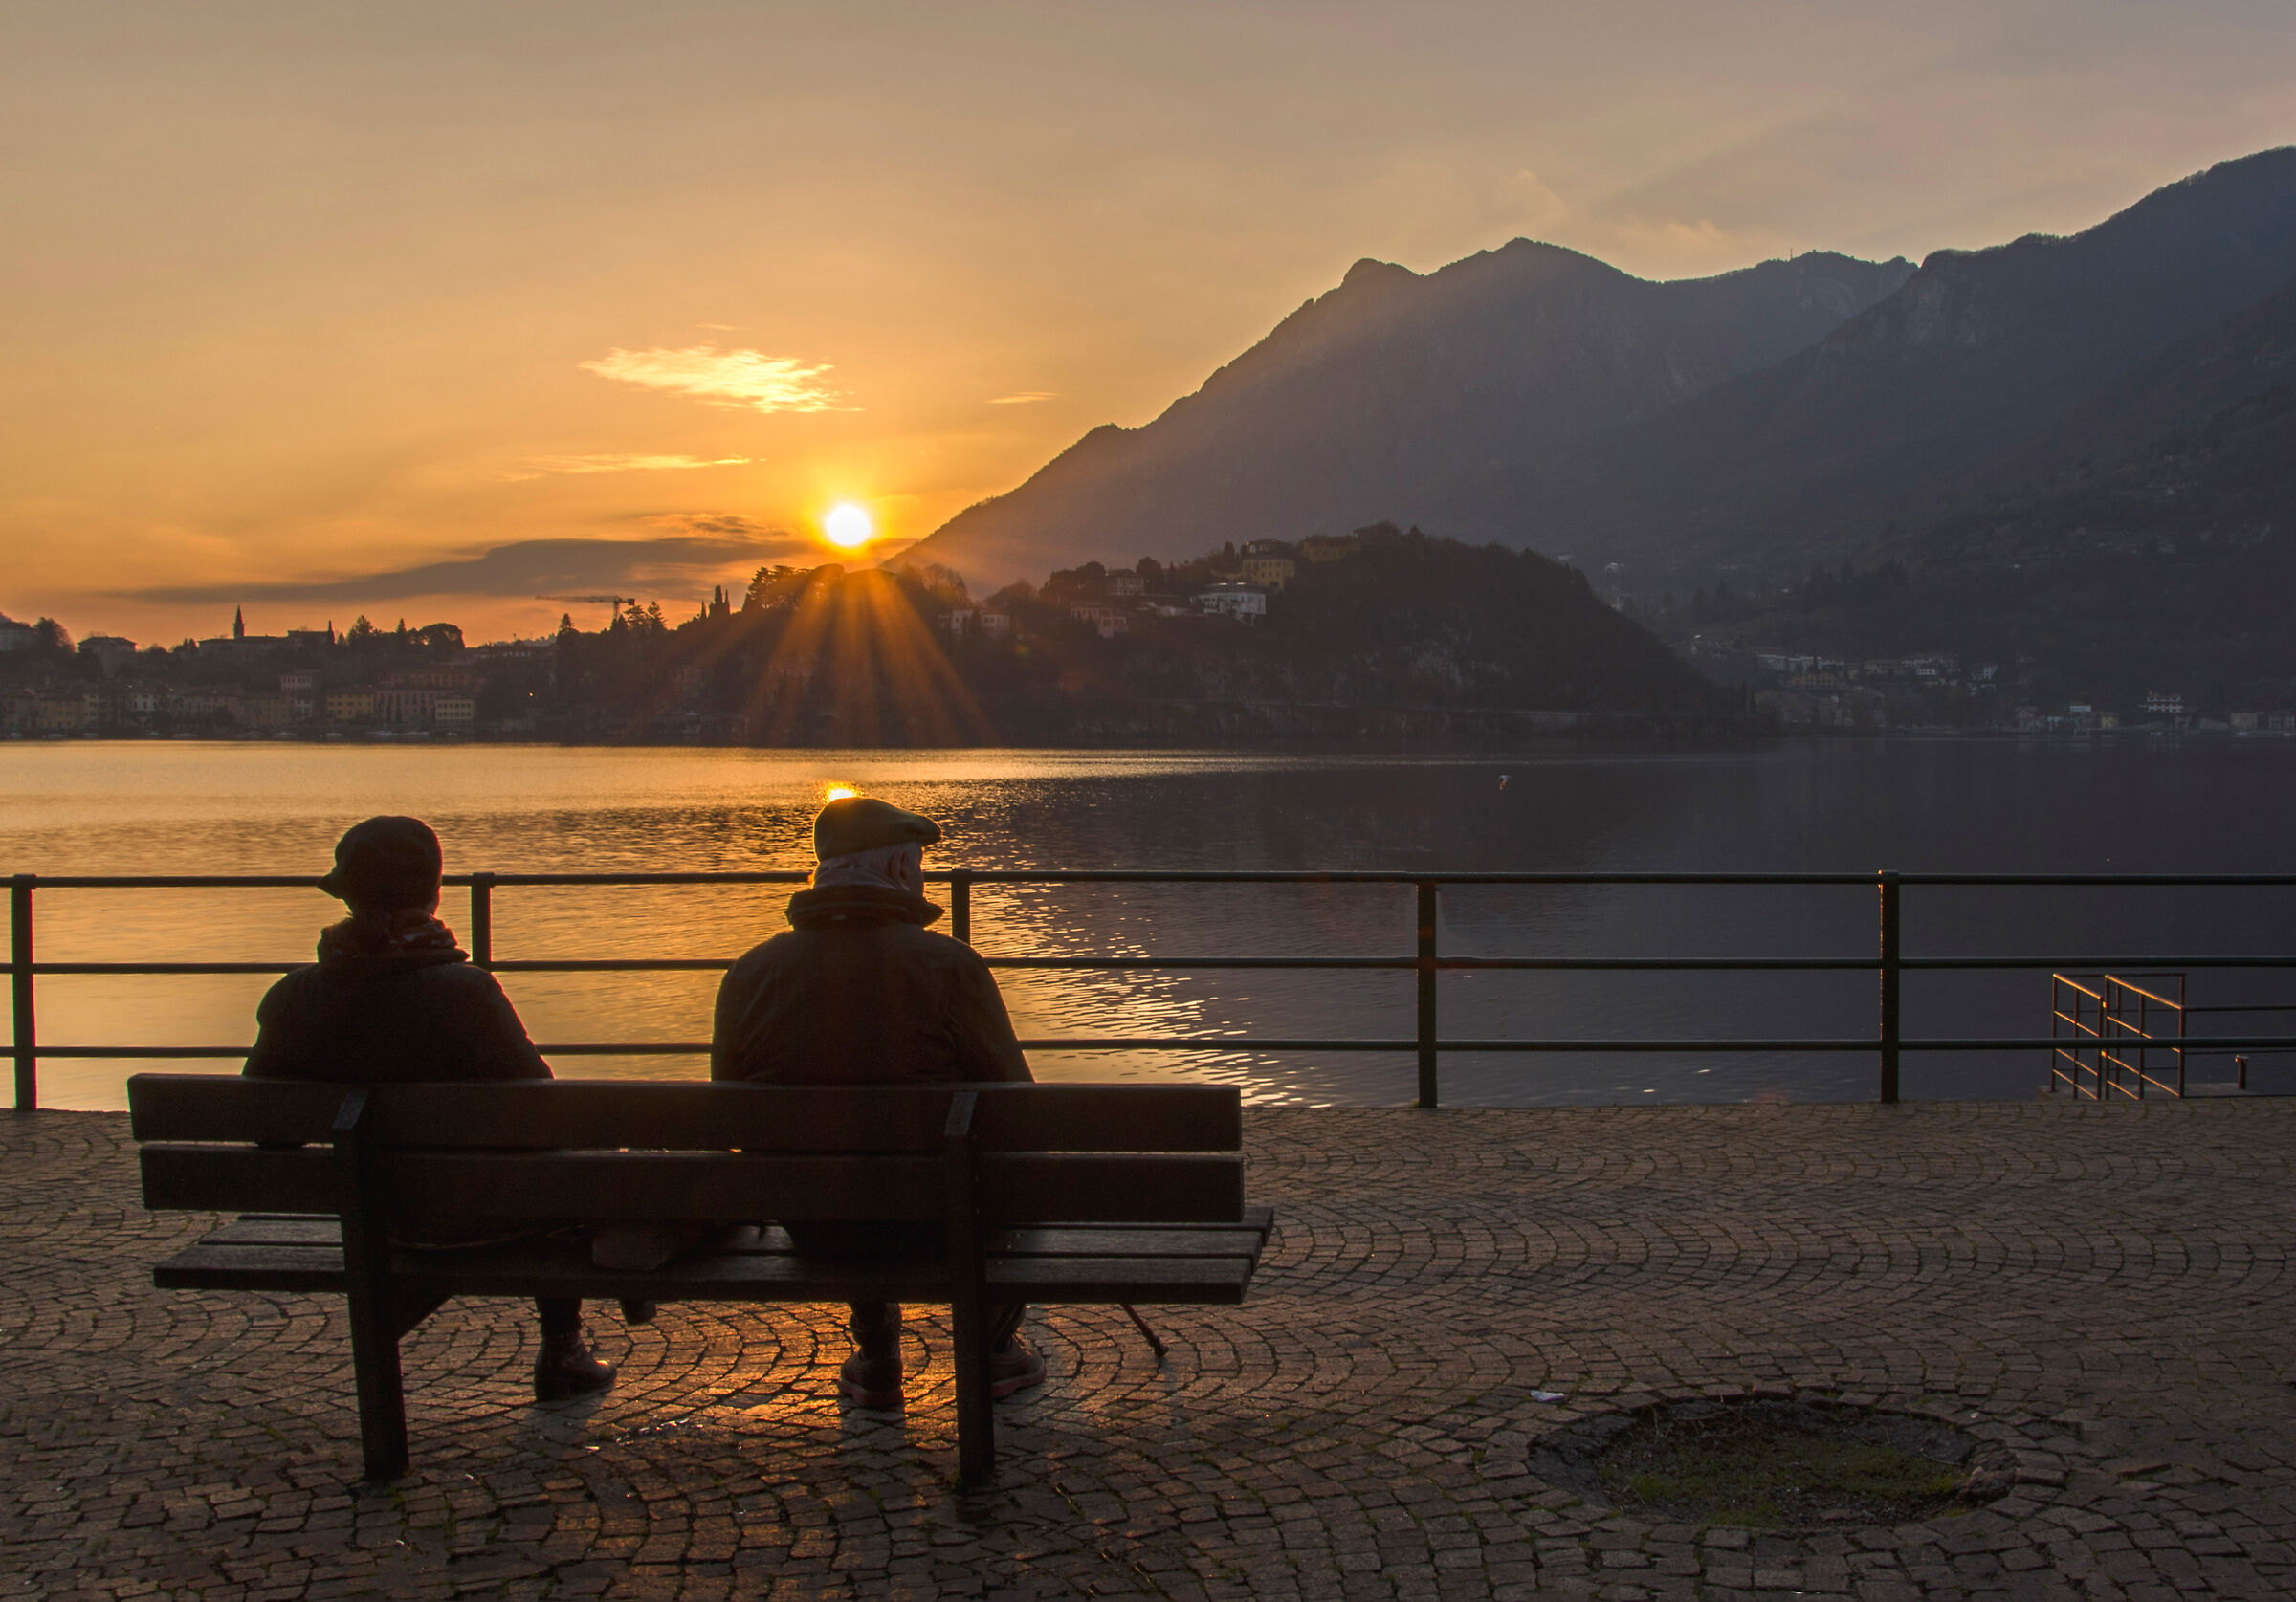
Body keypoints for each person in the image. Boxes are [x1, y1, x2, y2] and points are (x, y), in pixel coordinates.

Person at [243, 815, 618, 1402]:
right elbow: (544, 1114)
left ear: (348, 897)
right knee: (557, 1169)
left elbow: (267, 1133)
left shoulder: (294, 997)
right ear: (434, 893)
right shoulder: (465, 993)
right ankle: (562, 1347)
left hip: (373, 1219)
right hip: (487, 1218)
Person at [712, 795, 1044, 1407]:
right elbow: (1018, 1109)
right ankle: (995, 1351)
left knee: (840, 1170)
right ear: (896, 871)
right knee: (993, 1169)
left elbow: (727, 1112)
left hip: (815, 1225)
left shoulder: (750, 973)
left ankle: (875, 1348)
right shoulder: (949, 966)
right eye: (917, 864)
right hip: (939, 1222)